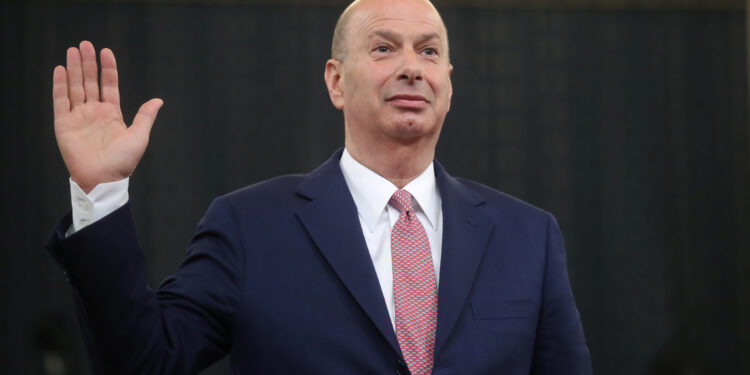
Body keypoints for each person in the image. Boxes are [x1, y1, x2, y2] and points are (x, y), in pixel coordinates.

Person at [47, 0, 592, 373]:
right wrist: (101, 196)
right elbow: (145, 363)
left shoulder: (528, 236)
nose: (411, 68)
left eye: (428, 52)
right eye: (384, 49)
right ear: (336, 80)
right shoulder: (249, 227)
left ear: (449, 83)